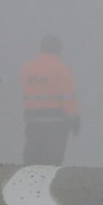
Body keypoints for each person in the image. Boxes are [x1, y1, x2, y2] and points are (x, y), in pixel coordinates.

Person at [20, 35, 80, 165]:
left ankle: (29, 176)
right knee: (52, 160)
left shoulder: (28, 68)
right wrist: (74, 119)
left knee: (32, 158)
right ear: (57, 49)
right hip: (56, 122)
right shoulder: (61, 69)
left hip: (33, 121)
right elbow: (68, 97)